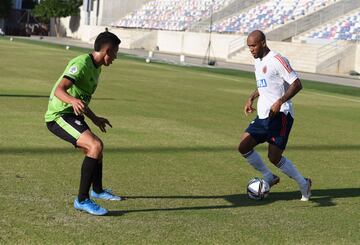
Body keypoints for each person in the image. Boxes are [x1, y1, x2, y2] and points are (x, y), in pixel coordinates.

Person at [45, 31, 122, 215]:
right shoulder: (81, 64)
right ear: (107, 50)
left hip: (72, 115)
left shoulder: (96, 67)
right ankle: (82, 199)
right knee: (95, 145)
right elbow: (59, 90)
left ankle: (97, 190)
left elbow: (81, 99)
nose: (116, 57)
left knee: (96, 150)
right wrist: (72, 101)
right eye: (116, 53)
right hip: (59, 116)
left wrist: (95, 119)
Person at [238, 30, 312, 201]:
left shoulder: (278, 60)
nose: (251, 49)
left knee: (274, 157)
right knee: (243, 146)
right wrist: (251, 97)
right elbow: (263, 85)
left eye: (254, 45)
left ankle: (303, 184)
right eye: (249, 46)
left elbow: (297, 84)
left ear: (263, 43)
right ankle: (268, 177)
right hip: (264, 115)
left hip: (281, 115)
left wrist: (280, 101)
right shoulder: (258, 61)